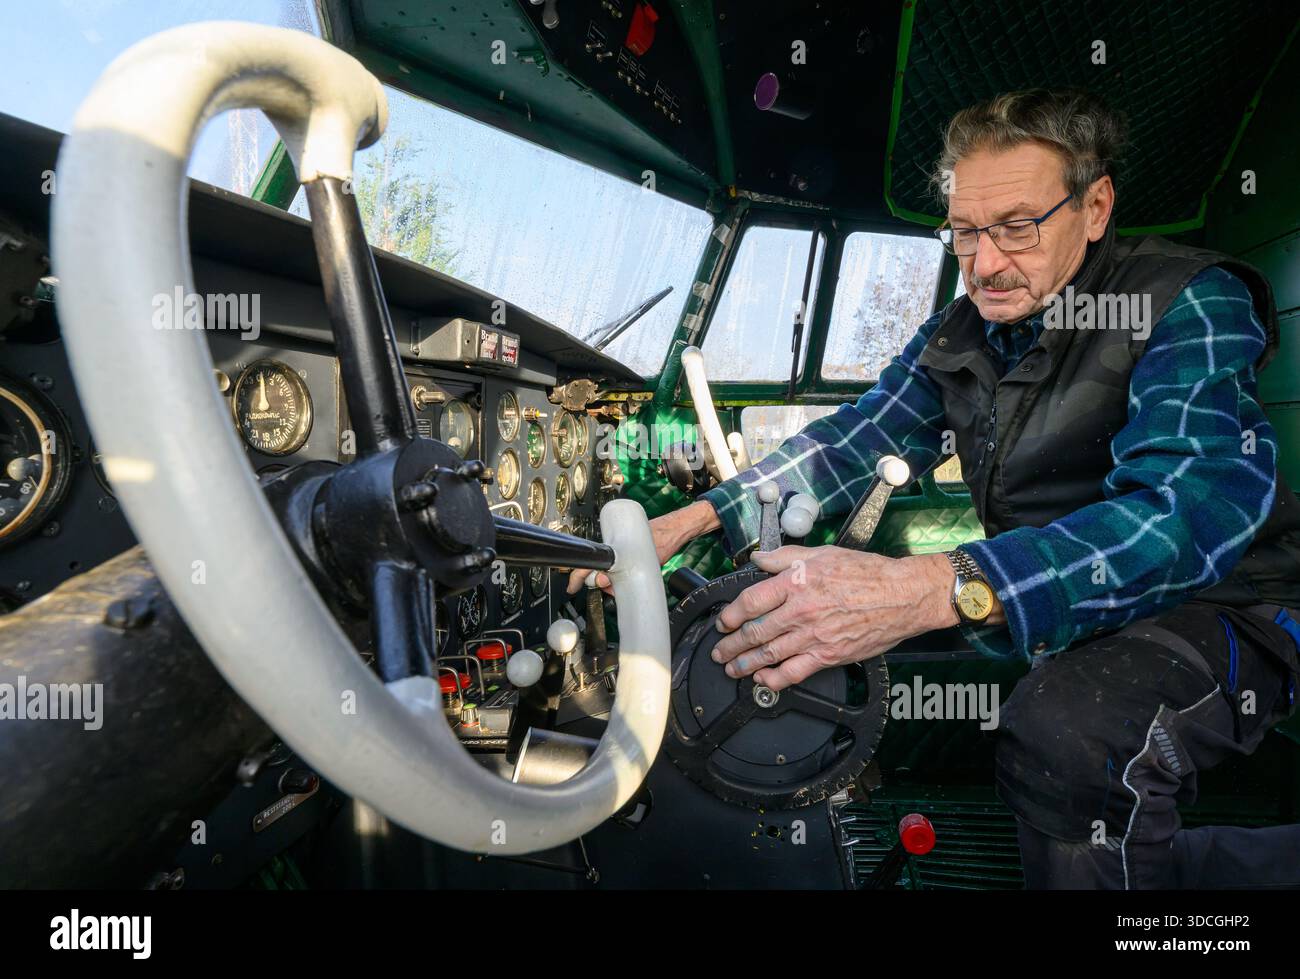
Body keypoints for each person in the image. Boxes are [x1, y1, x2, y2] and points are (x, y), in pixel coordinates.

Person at [570, 89, 1300, 889]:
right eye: (963, 233)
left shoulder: (1188, 300)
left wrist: (943, 585)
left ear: (1095, 207)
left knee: (1066, 736)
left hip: (1231, 610)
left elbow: (1182, 517)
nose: (984, 263)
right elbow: (857, 439)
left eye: (1017, 227)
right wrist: (695, 518)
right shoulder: (965, 330)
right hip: (1071, 608)